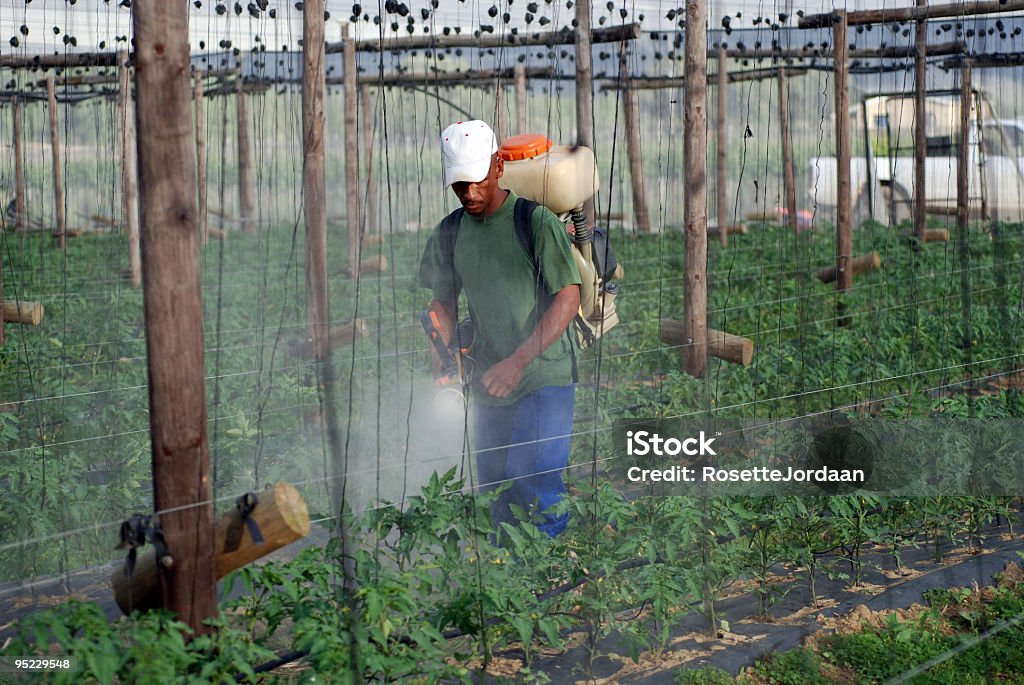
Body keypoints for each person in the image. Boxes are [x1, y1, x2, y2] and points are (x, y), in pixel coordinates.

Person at [418, 120, 581, 538]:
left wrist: (517, 361)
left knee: (534, 479)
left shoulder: (535, 222)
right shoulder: (451, 232)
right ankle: (507, 587)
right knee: (495, 487)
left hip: (543, 372)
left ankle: (549, 577)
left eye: (475, 182)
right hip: (488, 376)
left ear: (497, 167)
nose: (469, 194)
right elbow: (442, 306)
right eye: (459, 186)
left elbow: (568, 297)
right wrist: (443, 363)